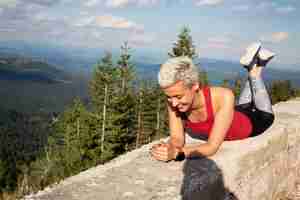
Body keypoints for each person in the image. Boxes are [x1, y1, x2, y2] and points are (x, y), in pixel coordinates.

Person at [150, 42, 275, 162]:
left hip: (257, 120)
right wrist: (169, 147)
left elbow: (211, 147)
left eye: (178, 96)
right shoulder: (173, 100)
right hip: (237, 112)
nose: (174, 103)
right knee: (245, 104)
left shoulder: (224, 96)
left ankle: (255, 70)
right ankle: (256, 65)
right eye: (169, 97)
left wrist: (177, 154)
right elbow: (177, 139)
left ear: (194, 86)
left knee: (259, 96)